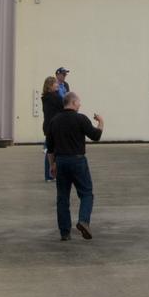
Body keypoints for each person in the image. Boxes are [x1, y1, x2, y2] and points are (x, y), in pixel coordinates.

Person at [46, 91, 104, 240]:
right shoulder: (80, 119)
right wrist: (101, 122)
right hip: (78, 161)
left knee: (62, 197)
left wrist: (52, 165)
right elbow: (96, 136)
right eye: (78, 102)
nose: (80, 105)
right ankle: (83, 220)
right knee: (86, 193)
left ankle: (65, 232)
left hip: (61, 161)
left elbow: (50, 148)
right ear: (72, 103)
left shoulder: (54, 121)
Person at [41, 75, 64, 181]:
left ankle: (49, 175)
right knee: (54, 151)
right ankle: (51, 174)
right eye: (55, 83)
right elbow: (64, 105)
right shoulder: (55, 97)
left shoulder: (45, 97)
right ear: (50, 86)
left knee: (50, 150)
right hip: (55, 127)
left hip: (47, 127)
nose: (57, 84)